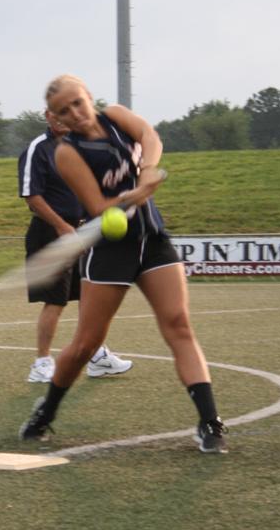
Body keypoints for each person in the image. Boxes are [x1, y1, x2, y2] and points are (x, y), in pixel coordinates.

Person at [19, 75, 228, 454]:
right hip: (111, 249)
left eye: (78, 102)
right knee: (86, 344)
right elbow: (99, 207)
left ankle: (209, 421)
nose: (74, 113)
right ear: (56, 117)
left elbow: (150, 136)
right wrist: (133, 195)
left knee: (178, 325)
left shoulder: (115, 116)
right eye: (64, 111)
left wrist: (147, 170)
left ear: (89, 96)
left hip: (152, 239)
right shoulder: (67, 153)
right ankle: (45, 412)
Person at [18, 110, 132, 383]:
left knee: (90, 296)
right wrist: (61, 226)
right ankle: (41, 364)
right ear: (47, 115)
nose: (61, 118)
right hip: (51, 233)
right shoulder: (38, 148)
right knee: (55, 301)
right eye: (56, 113)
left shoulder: (82, 147)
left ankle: (96, 356)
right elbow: (32, 197)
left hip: (82, 230)